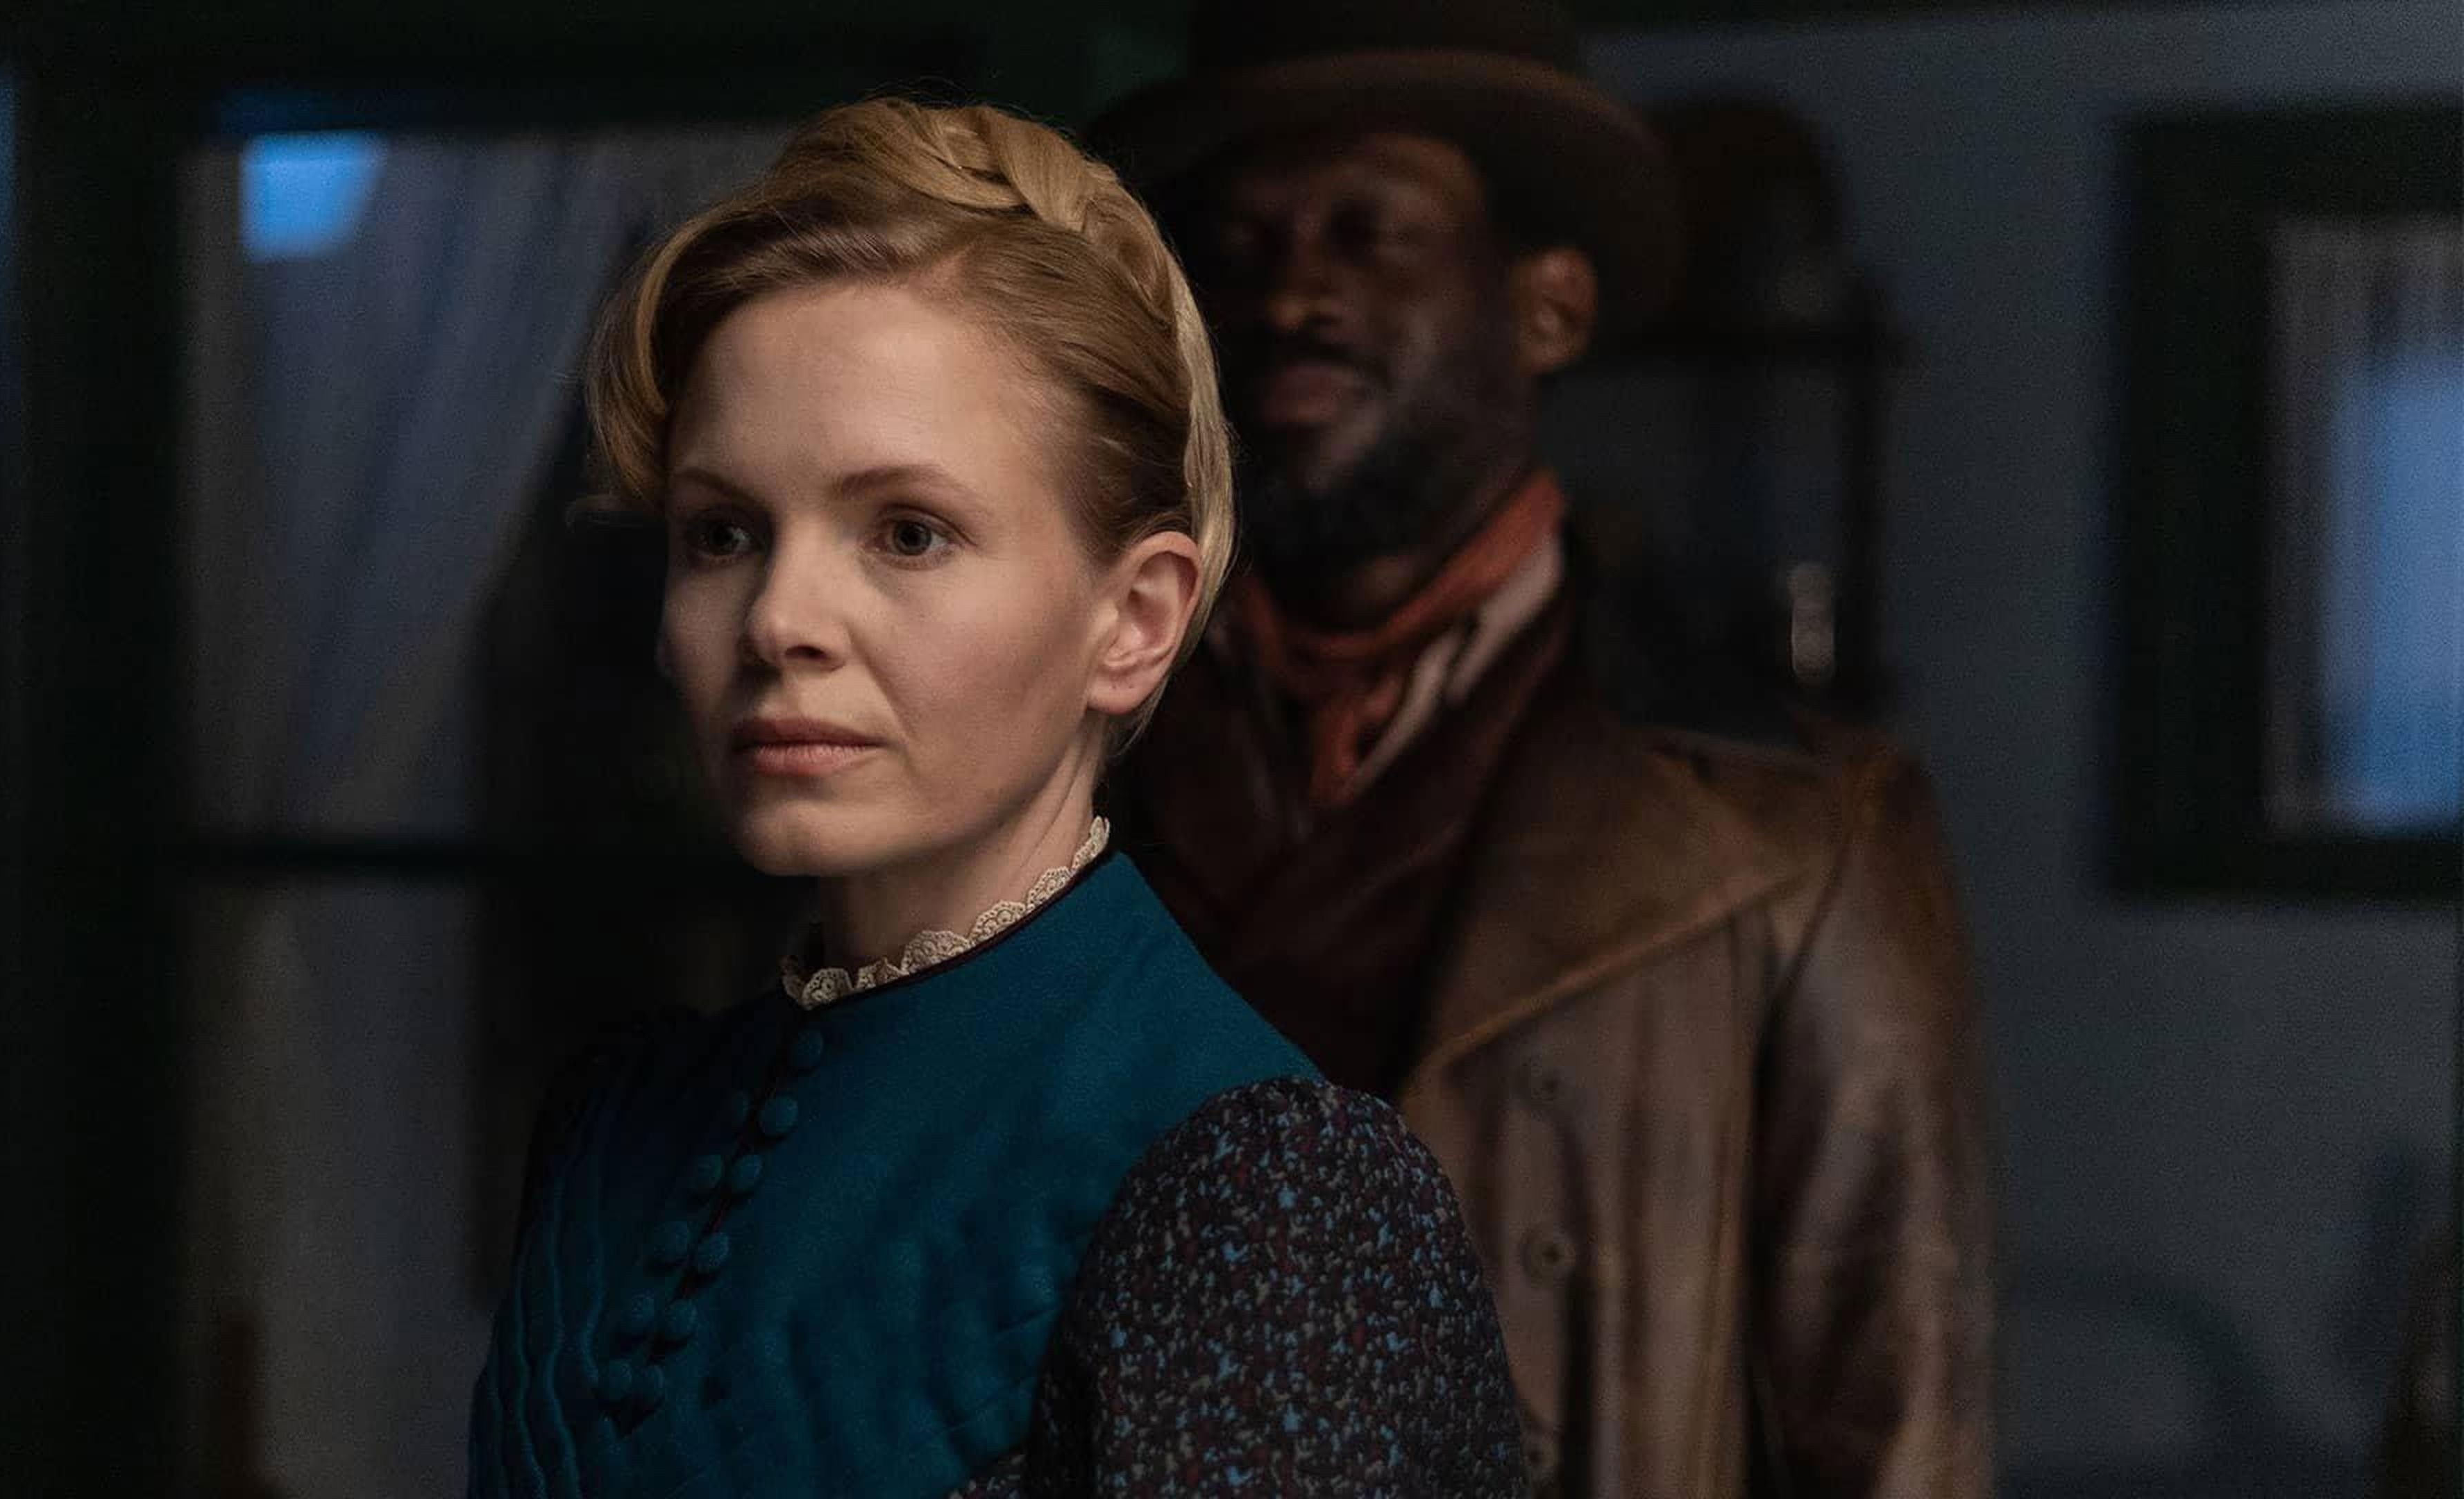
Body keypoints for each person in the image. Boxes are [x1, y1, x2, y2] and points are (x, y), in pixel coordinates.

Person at [465, 99, 1525, 1498]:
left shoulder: (1270, 1194)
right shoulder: (623, 1117)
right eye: (722, 533)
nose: (779, 618)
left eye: (908, 532)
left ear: (1134, 620)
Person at [1092, 4, 1995, 1496]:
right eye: (1240, 251)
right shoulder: (1068, 752)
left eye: (1371, 234)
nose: (1290, 295)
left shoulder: (1805, 832)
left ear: (1549, 310)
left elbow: (1896, 1431)